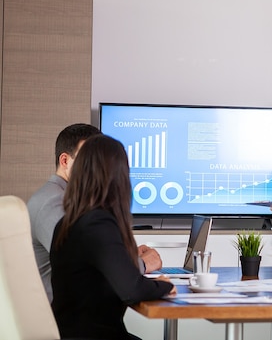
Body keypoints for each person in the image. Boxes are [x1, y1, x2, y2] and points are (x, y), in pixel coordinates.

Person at [50, 134, 176, 340]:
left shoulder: (70, 222)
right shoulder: (98, 223)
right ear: (118, 175)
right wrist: (165, 285)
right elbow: (132, 289)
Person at [28, 123, 163, 302]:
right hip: (62, 319)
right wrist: (142, 264)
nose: (94, 167)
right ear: (65, 161)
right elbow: (90, 268)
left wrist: (122, 256)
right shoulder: (55, 203)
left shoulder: (67, 199)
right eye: (87, 159)